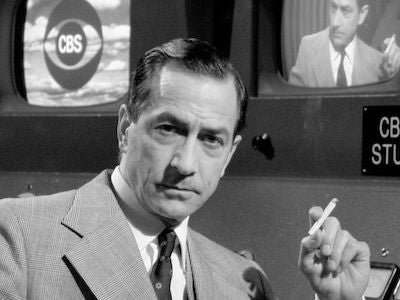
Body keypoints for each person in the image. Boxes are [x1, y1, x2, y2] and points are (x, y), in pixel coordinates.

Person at [0, 38, 370, 299]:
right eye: (168, 129)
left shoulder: (246, 284)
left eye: (211, 139)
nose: (185, 164)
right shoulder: (17, 238)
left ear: (229, 155)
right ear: (125, 128)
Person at [289, 0, 399, 87]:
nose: (335, 22)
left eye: (345, 11)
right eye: (333, 7)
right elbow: (292, 106)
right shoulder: (308, 47)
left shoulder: (376, 61)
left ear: (362, 15)